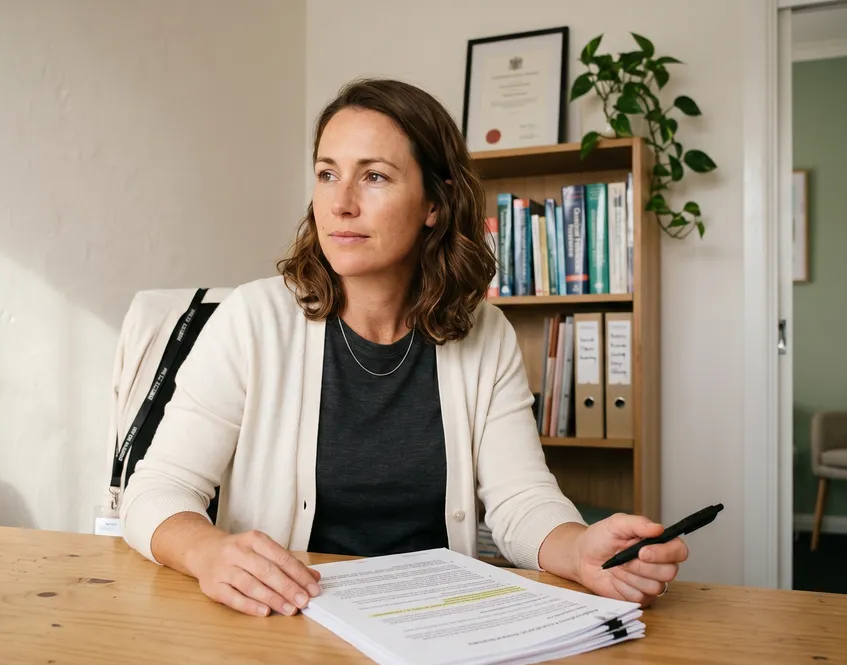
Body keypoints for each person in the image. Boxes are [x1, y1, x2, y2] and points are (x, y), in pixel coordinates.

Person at [119, 77, 690, 619]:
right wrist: (207, 552)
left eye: (374, 177)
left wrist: (582, 548)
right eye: (326, 173)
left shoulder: (484, 333)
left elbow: (521, 503)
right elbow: (157, 490)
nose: (340, 203)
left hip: (434, 623)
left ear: (433, 205)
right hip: (288, 619)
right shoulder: (253, 319)